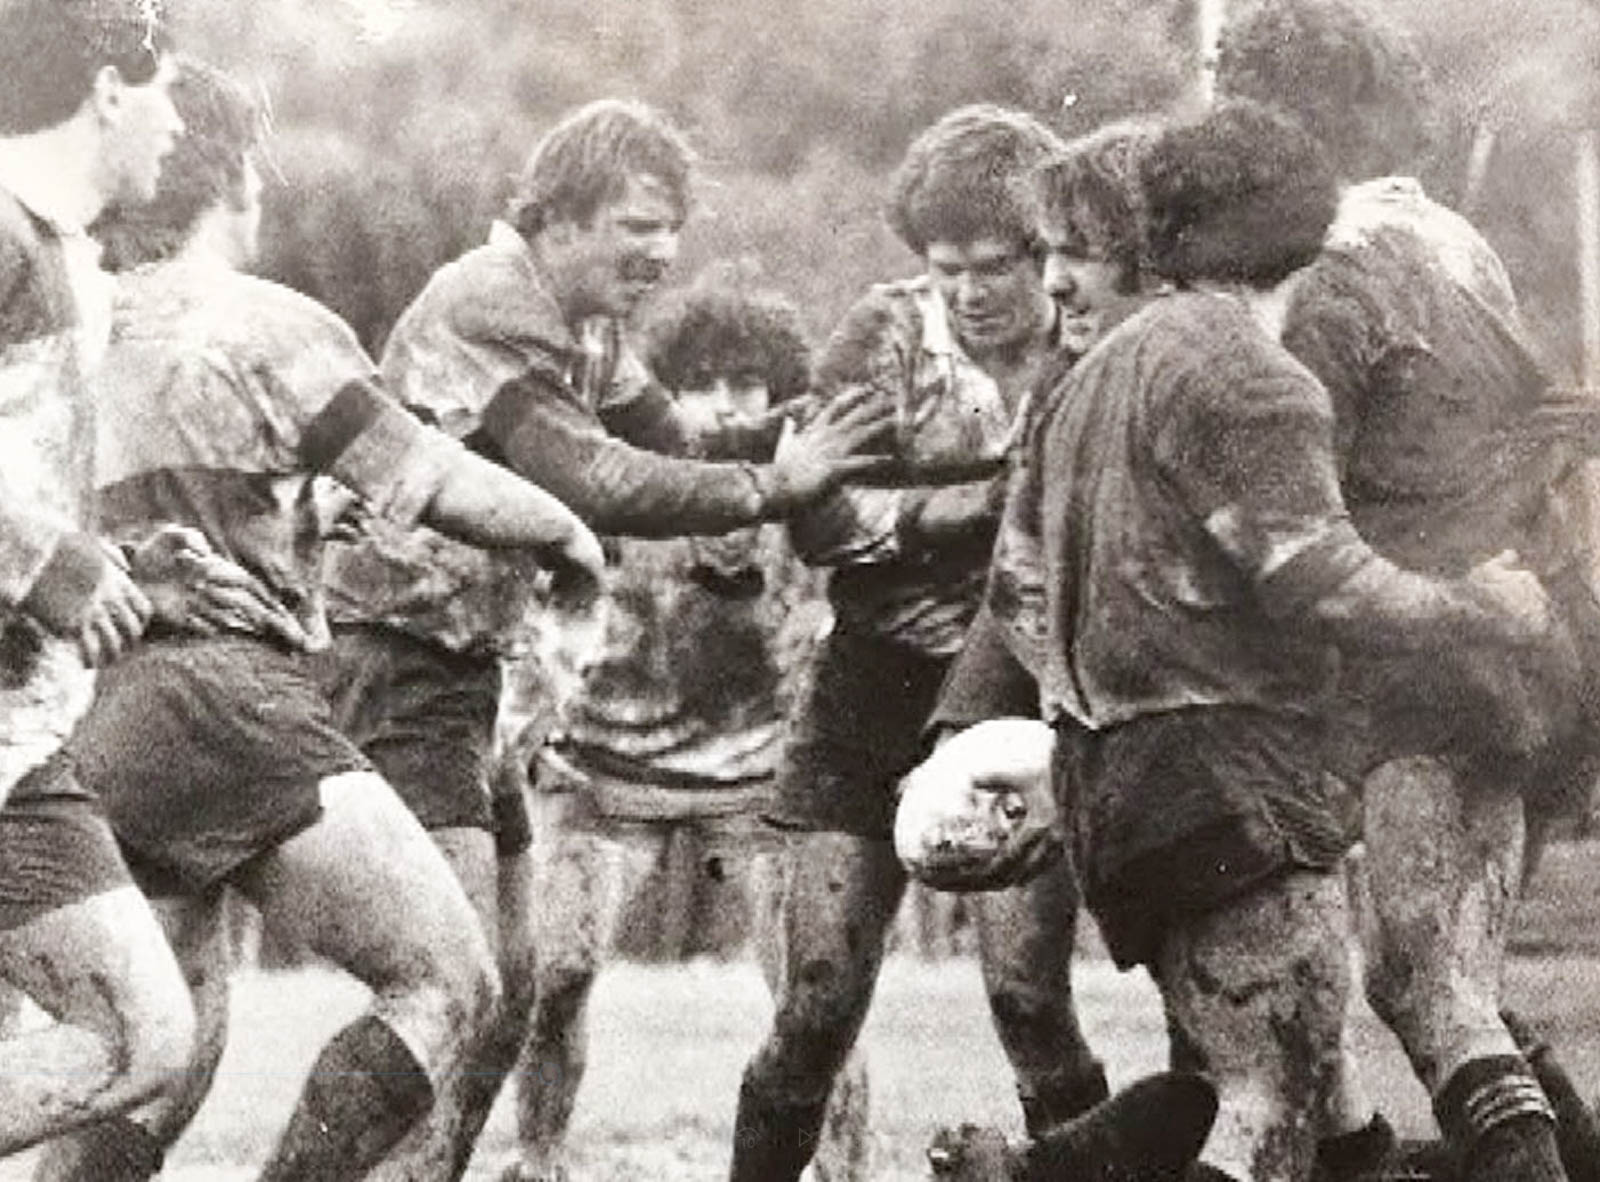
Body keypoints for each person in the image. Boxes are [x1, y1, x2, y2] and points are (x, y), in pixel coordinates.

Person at [906, 98, 1569, 1181]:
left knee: (1313, 1112)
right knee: (1270, 1105)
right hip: (1226, 782)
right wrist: (1479, 607)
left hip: (1112, 792)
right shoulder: (1248, 377)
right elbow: (1321, 583)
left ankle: (1038, 1171)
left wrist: (1073, 726)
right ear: (1305, 232)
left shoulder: (1082, 386)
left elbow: (1019, 587)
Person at [36, 57, 608, 1182]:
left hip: (78, 706)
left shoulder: (72, 323)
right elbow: (433, 477)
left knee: (162, 1052)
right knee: (452, 977)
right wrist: (566, 534)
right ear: (237, 181)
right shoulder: (264, 322)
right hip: (216, 695)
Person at [311, 98, 894, 1181]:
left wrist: (808, 439)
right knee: (456, 983)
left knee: (511, 983)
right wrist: (775, 483)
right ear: (561, 216)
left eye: (672, 225)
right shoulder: (487, 302)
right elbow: (593, 479)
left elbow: (670, 440)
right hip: (398, 657)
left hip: (470, 670)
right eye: (637, 225)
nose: (662, 250)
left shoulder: (583, 321)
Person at [1219, 2, 1600, 1177]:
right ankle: (1572, 1151)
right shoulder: (1443, 232)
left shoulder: (1332, 275)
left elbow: (1287, 498)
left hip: (1443, 654)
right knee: (1425, 979)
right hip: (1522, 630)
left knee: (1428, 983)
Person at [730, 103, 1108, 1182]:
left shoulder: (1086, 341)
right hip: (874, 675)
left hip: (1020, 684)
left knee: (1028, 1000)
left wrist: (914, 514)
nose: (969, 293)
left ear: (1047, 254)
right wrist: (971, 510)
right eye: (946, 270)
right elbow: (816, 518)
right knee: (814, 1006)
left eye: (995, 267)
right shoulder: (883, 335)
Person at [483, 263, 871, 1181]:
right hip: (605, 770)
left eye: (747, 383)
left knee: (818, 998)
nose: (724, 403)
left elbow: (859, 595)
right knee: (557, 975)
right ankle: (538, 1164)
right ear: (669, 388)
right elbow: (549, 592)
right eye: (703, 381)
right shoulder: (622, 476)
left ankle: (847, 1172)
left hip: (763, 781)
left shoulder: (806, 488)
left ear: (780, 393)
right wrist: (533, 710)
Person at [0, 0, 198, 1161]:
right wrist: (43, 562)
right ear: (111, 88)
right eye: (167, 85)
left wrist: (119, 564)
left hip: (23, 725)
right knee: (139, 1033)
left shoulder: (63, 253)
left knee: (133, 1035)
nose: (180, 122)